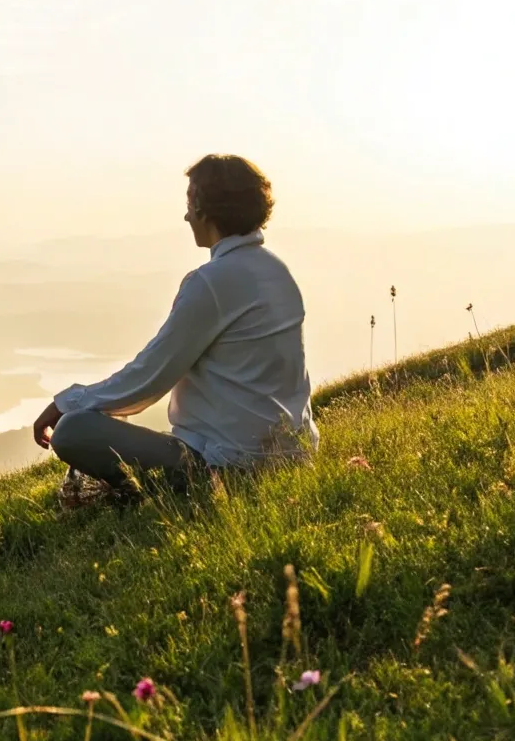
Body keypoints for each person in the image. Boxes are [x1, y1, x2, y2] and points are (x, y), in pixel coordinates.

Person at [31, 154, 317, 504]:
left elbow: (148, 376)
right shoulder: (277, 271)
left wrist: (67, 402)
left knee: (73, 430)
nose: (185, 215)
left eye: (189, 203)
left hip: (226, 466)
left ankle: (148, 494)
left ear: (205, 209)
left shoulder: (211, 283)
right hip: (293, 459)